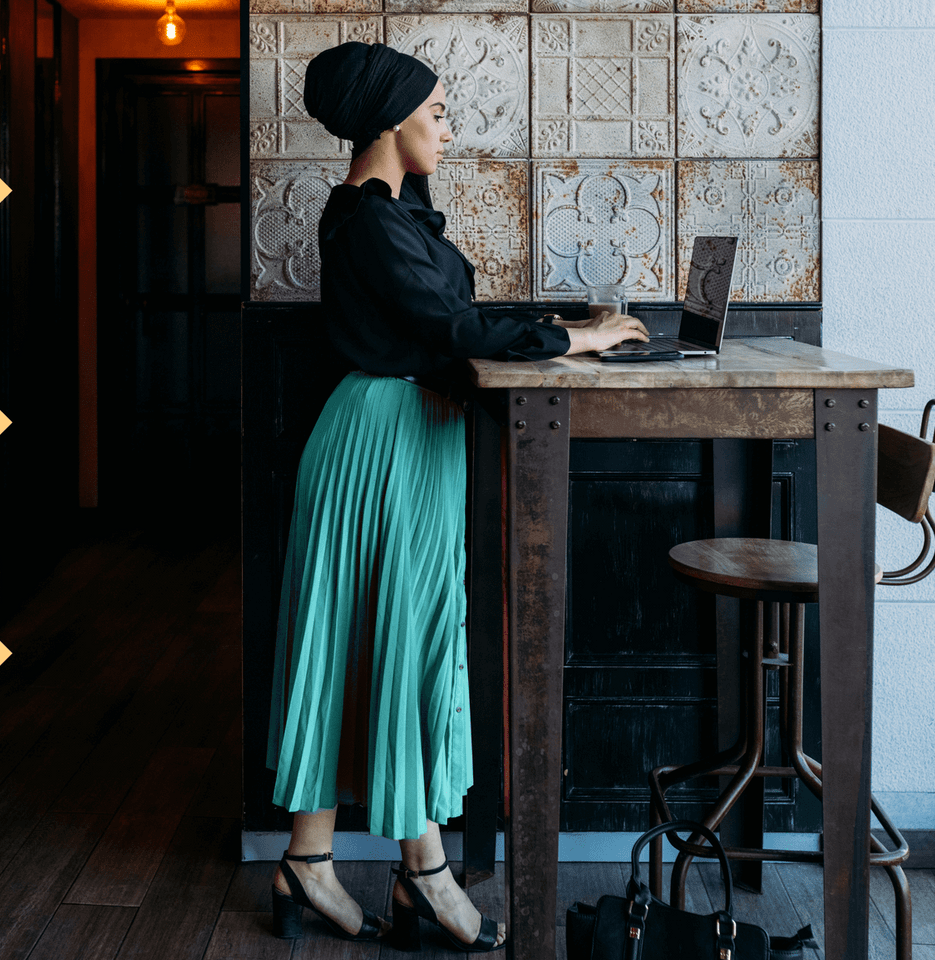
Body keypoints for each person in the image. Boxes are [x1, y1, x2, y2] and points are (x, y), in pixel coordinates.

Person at [264, 42, 649, 953]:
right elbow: (452, 326)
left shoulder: (389, 215)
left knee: (373, 641)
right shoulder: (371, 222)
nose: (447, 129)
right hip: (383, 442)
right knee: (390, 642)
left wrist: (566, 329)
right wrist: (580, 341)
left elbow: (454, 318)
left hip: (402, 437)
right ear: (394, 122)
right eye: (436, 113)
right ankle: (420, 873)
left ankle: (312, 860)